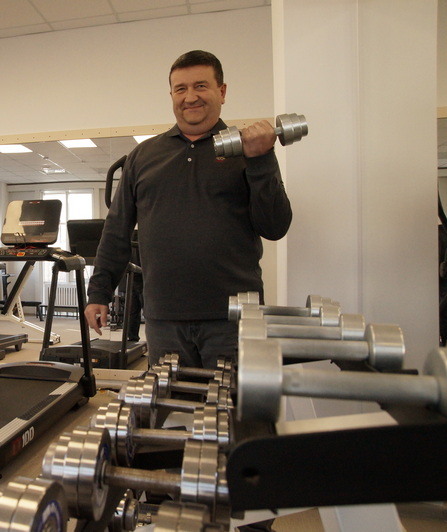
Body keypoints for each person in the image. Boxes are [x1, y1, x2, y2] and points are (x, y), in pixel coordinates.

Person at [84, 49, 291, 532]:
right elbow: (117, 231)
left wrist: (261, 160)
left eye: (201, 86)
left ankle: (253, 522)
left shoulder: (247, 149)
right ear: (171, 95)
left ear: (222, 91)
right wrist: (98, 291)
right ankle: (169, 512)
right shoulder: (145, 156)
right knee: (165, 424)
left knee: (242, 427)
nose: (190, 97)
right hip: (165, 319)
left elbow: (276, 225)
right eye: (181, 88)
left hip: (232, 320)